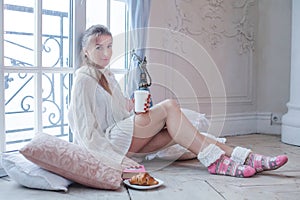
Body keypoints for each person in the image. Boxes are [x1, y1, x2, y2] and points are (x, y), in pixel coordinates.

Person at [68, 24, 288, 178]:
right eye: (98, 47)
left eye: (108, 46)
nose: (106, 53)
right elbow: (85, 131)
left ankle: (247, 157)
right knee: (170, 106)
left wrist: (136, 110)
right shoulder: (83, 79)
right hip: (110, 144)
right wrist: (111, 159)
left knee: (183, 130)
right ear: (85, 51)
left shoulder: (108, 77)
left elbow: (120, 114)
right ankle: (217, 162)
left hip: (124, 141)